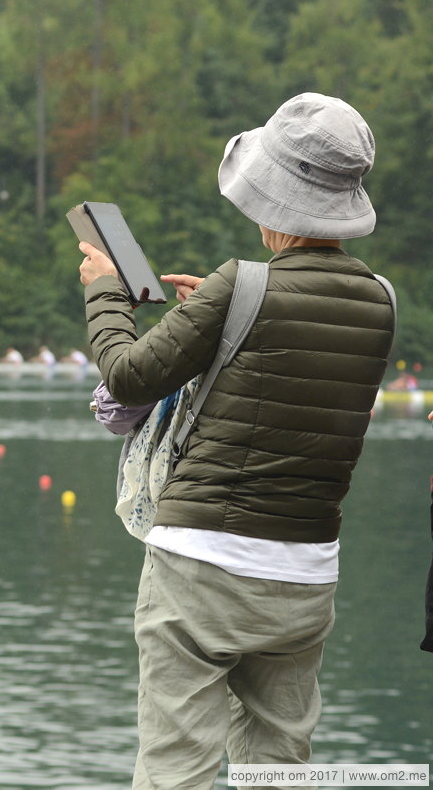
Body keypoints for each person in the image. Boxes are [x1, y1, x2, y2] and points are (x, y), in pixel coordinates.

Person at [77, 93, 394, 788]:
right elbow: (291, 380)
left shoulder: (241, 284)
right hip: (306, 574)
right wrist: (217, 322)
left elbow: (130, 378)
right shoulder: (382, 301)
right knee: (278, 767)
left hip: (201, 565)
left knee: (176, 766)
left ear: (271, 194)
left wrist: (105, 293)